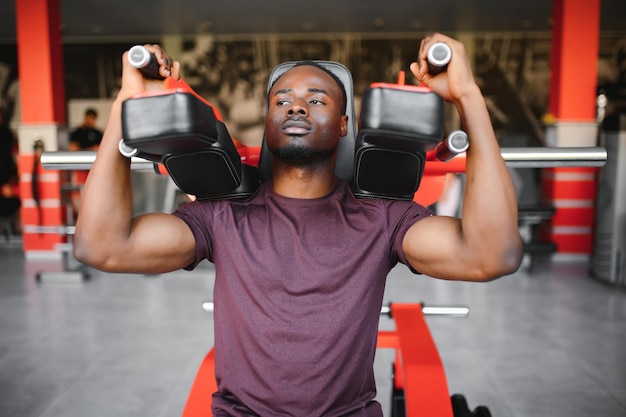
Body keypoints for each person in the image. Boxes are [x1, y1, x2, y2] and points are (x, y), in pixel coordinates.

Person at [74, 34, 523, 416]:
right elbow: (102, 246)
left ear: (345, 123)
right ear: (269, 122)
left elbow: (491, 254)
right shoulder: (222, 216)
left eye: (316, 100)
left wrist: (467, 95)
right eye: (282, 101)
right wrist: (125, 102)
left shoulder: (382, 219)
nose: (296, 108)